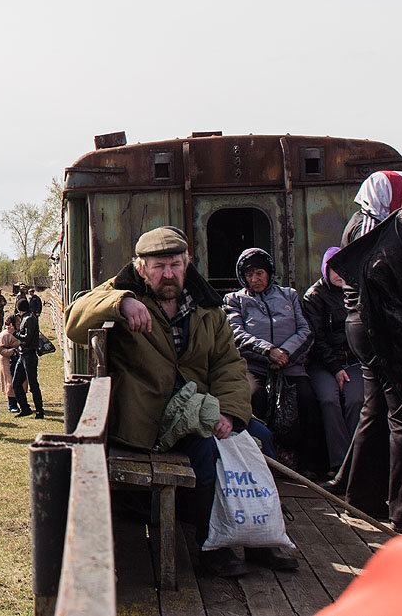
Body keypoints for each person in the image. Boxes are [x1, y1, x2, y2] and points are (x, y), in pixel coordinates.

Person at [65, 226, 294, 577]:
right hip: (147, 420)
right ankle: (210, 546)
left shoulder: (207, 307)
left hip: (195, 409)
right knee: (205, 450)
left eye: (174, 264)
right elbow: (74, 321)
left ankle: (257, 539)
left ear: (186, 264)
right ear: (141, 268)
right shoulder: (126, 292)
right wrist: (121, 302)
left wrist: (231, 413)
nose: (168, 274)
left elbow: (228, 363)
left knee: (260, 439)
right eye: (158, 266)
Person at [331, 170, 402, 531]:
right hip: (378, 327)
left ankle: (361, 499)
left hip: (360, 325)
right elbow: (392, 287)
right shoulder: (376, 230)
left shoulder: (358, 222)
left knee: (374, 411)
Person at [223, 248, 324, 478]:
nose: (255, 279)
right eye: (249, 275)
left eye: (259, 273)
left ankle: (310, 467)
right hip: (255, 366)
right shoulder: (235, 300)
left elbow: (305, 330)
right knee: (253, 396)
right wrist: (268, 352)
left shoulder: (288, 295)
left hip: (291, 365)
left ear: (268, 273)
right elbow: (236, 334)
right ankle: (260, 464)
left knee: (308, 399)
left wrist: (285, 354)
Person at [302, 247, 365, 478]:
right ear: (325, 269)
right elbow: (316, 339)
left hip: (353, 361)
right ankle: (340, 465)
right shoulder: (314, 296)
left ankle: (358, 462)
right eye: (333, 269)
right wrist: (335, 368)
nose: (339, 274)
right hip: (323, 364)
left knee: (357, 400)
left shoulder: (357, 290)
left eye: (342, 268)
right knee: (329, 400)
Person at [13, 292, 45, 418]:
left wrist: (15, 334)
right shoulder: (28, 318)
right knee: (16, 382)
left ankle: (39, 410)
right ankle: (25, 408)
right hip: (23, 354)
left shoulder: (29, 319)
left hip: (29, 354)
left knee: (33, 383)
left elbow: (27, 338)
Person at [0, 314, 22, 413]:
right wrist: (13, 351)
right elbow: (0, 349)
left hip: (17, 361)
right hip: (8, 362)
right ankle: (12, 405)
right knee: (9, 383)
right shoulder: (4, 335)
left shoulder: (17, 333)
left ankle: (21, 403)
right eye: (18, 323)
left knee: (19, 382)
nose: (19, 324)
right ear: (12, 324)